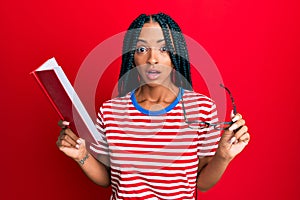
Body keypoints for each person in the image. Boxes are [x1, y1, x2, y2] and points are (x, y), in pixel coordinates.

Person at [56, 13, 250, 200]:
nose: (152, 59)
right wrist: (81, 156)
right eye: (141, 49)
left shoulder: (202, 108)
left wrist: (223, 156)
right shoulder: (110, 111)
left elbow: (202, 183)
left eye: (163, 49)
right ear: (132, 57)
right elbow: (108, 178)